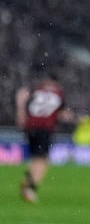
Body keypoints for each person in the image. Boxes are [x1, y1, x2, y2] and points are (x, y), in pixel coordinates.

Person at [15, 75, 74, 203]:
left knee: (35, 157)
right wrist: (73, 117)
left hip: (30, 127)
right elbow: (63, 113)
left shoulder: (36, 89)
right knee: (43, 160)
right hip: (44, 129)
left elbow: (23, 98)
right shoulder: (58, 93)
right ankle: (31, 188)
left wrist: (21, 114)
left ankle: (27, 179)